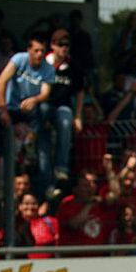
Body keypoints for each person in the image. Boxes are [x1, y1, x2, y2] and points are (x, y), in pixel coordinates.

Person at [0, 33, 55, 196]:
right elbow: (1, 82)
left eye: (42, 51)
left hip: (30, 112)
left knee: (44, 109)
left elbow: (45, 93)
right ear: (28, 50)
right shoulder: (19, 59)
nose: (39, 54)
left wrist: (34, 99)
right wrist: (3, 109)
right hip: (11, 108)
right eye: (36, 50)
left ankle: (30, 145)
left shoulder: (48, 68)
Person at [44, 29, 85, 186]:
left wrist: (78, 116)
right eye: (61, 44)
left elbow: (80, 90)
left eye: (67, 45)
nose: (64, 48)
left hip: (63, 107)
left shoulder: (73, 66)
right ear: (53, 45)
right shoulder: (43, 63)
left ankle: (61, 167)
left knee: (66, 121)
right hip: (44, 106)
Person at [14, 192, 59, 258]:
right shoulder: (13, 224)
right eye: (26, 203)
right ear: (20, 206)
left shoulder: (50, 221)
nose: (30, 207)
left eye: (34, 204)